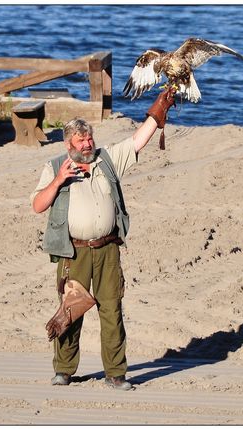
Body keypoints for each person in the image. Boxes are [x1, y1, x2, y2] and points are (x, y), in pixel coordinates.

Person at [31, 89, 176, 391]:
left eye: (89, 139)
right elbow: (38, 205)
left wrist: (158, 110)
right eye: (80, 141)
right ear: (68, 144)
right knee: (70, 311)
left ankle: (116, 373)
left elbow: (137, 141)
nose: (87, 145)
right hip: (73, 252)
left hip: (108, 248)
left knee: (112, 310)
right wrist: (59, 180)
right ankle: (64, 370)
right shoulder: (55, 166)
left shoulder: (106, 160)